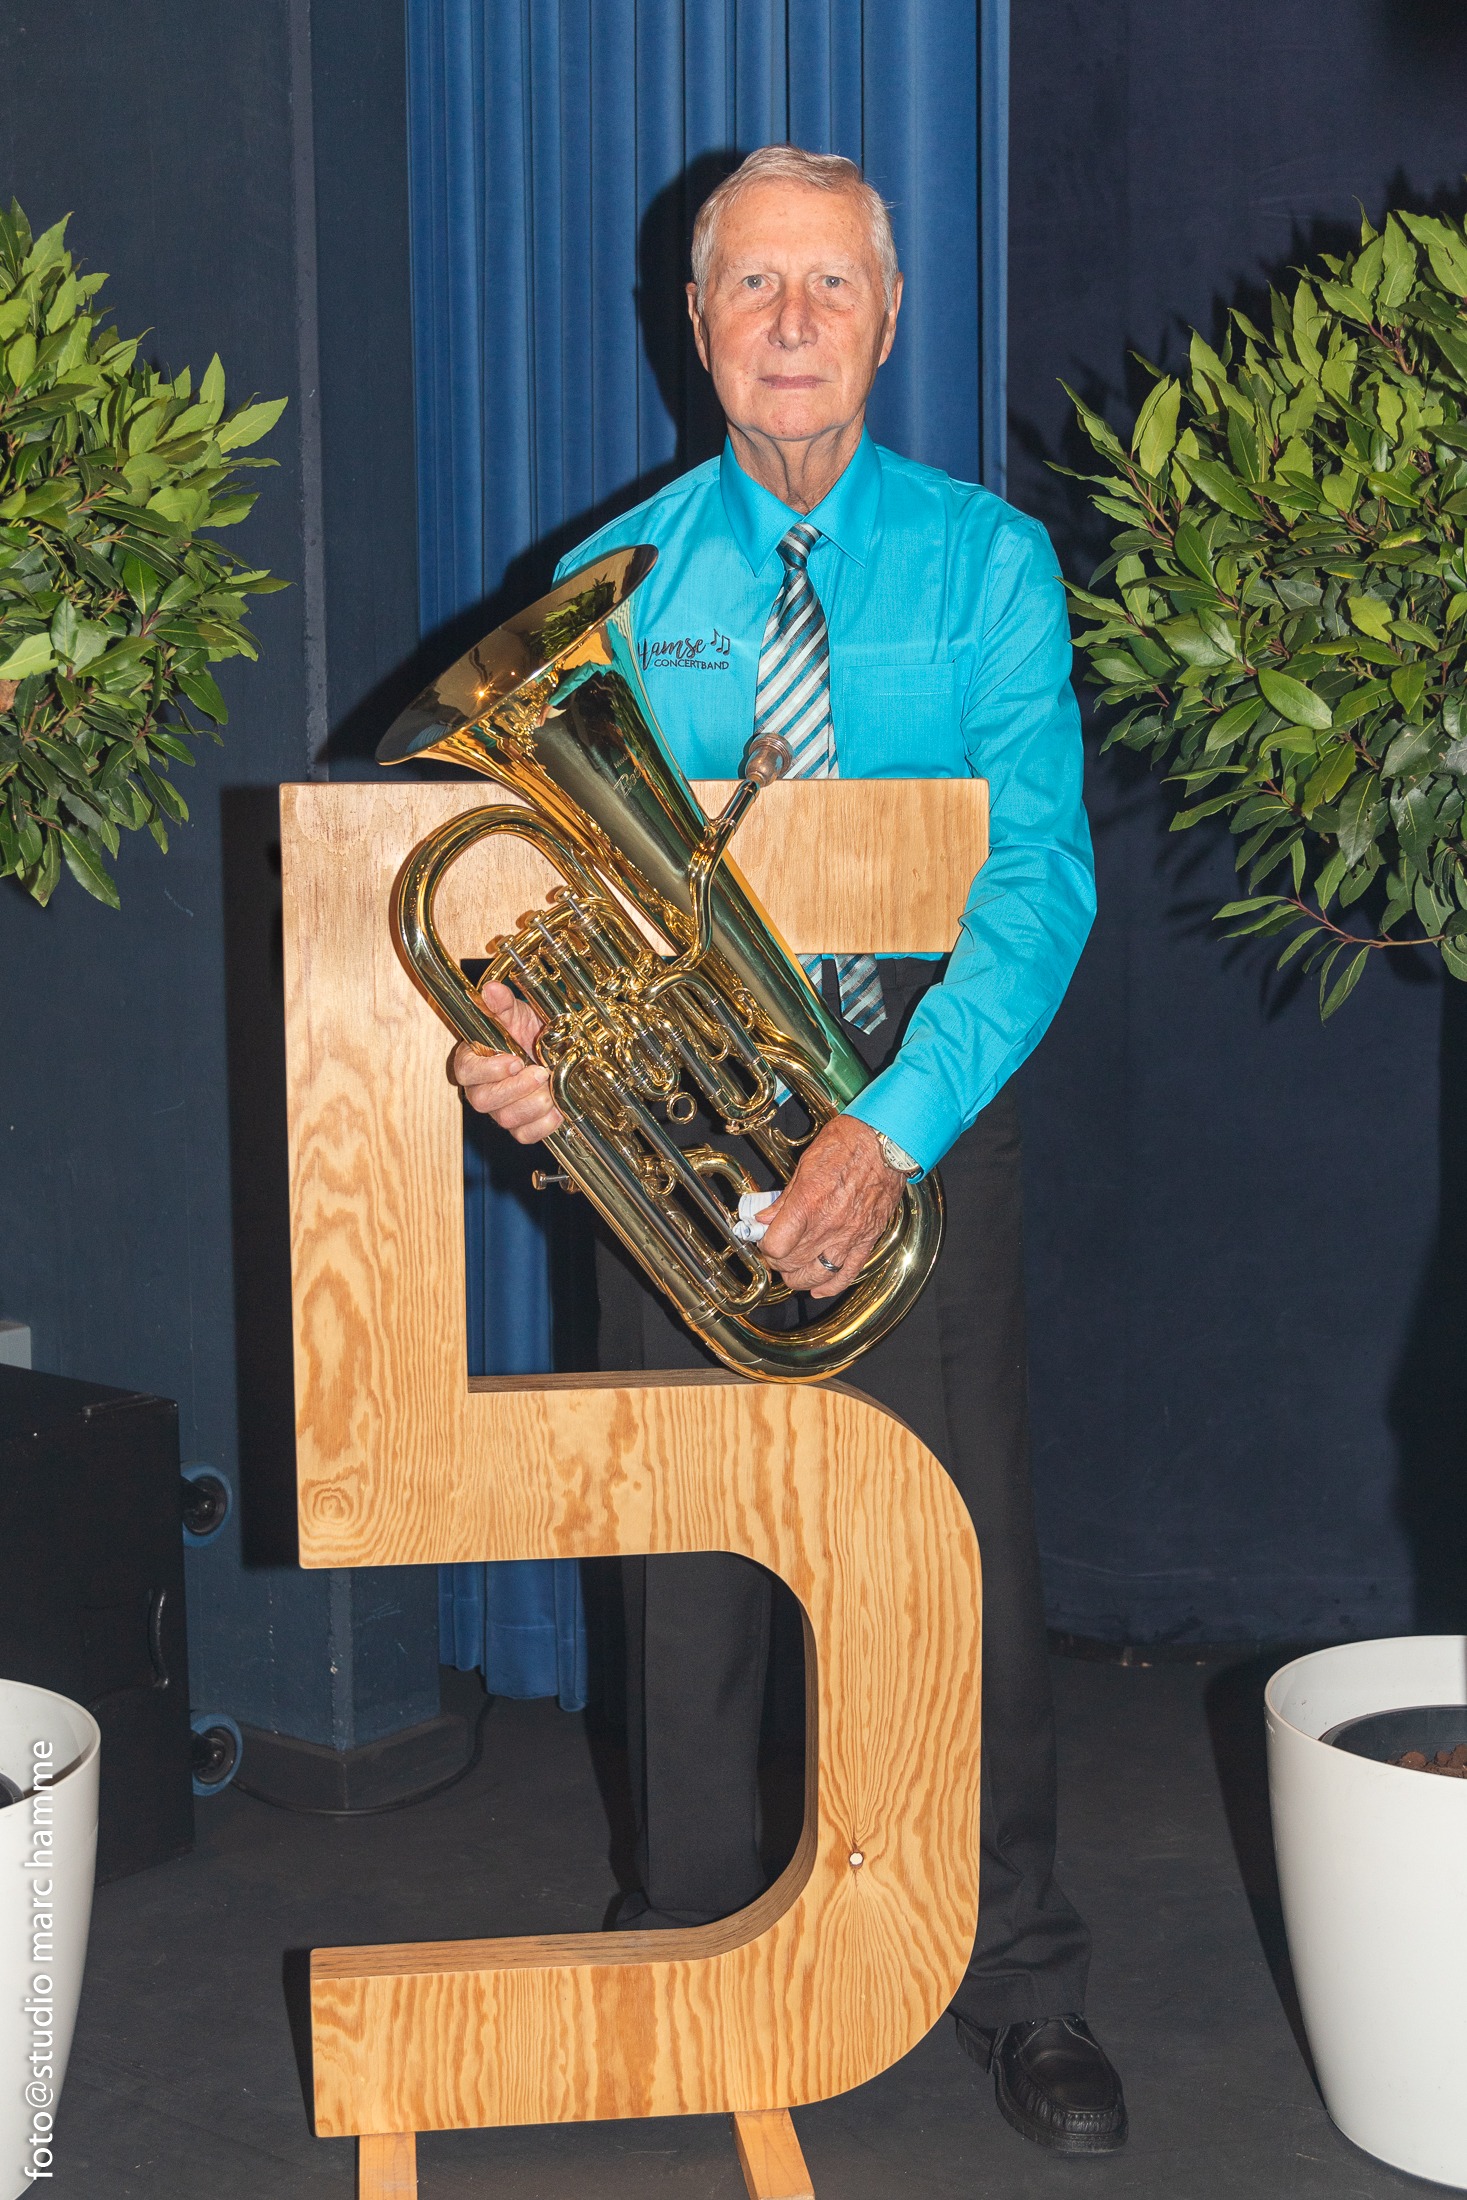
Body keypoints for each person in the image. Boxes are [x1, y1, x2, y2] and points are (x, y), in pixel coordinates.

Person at [453, 144, 1126, 2156]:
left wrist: (882, 1129)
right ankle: (689, 1944)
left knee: (958, 1559)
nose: (792, 323)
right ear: (694, 323)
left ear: (889, 318)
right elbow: (531, 886)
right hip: (676, 1128)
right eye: (752, 285)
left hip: (918, 1110)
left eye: (831, 284)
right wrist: (530, 1043)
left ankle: (1012, 1971)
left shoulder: (988, 565)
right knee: (689, 1564)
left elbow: (1037, 884)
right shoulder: (610, 584)